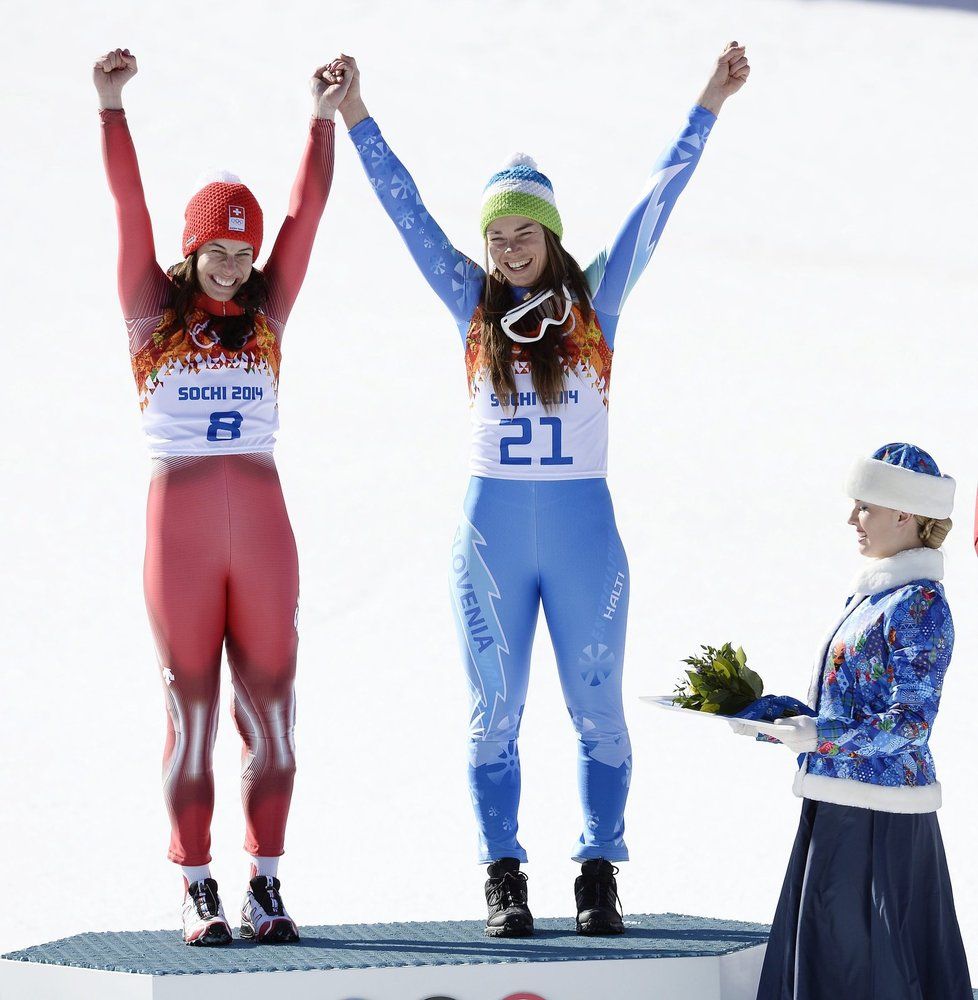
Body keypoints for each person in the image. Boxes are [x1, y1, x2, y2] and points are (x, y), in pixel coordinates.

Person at [332, 44, 749, 936]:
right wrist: (358, 115)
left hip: (580, 533)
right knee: (494, 712)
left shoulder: (596, 303)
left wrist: (707, 101)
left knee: (595, 703)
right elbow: (408, 218)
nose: (509, 249)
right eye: (496, 236)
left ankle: (599, 869)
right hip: (490, 540)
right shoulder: (472, 305)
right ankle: (504, 874)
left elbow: (656, 199)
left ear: (551, 236)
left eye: (523, 233)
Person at [94, 47, 351, 946]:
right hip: (182, 531)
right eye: (220, 252)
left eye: (245, 255)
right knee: (190, 711)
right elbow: (127, 210)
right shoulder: (150, 313)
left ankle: (268, 882)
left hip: (264, 524)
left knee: (273, 714)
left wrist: (321, 122)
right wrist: (110, 107)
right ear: (192, 246)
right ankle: (198, 882)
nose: (236, 269)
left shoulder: (269, 312)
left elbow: (303, 221)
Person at [733, 444, 971, 998]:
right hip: (839, 798)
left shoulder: (918, 604)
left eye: (863, 506)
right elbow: (846, 706)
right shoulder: (873, 597)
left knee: (867, 959)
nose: (852, 519)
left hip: (881, 814)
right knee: (835, 951)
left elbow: (912, 722)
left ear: (903, 513)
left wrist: (818, 736)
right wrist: (766, 714)